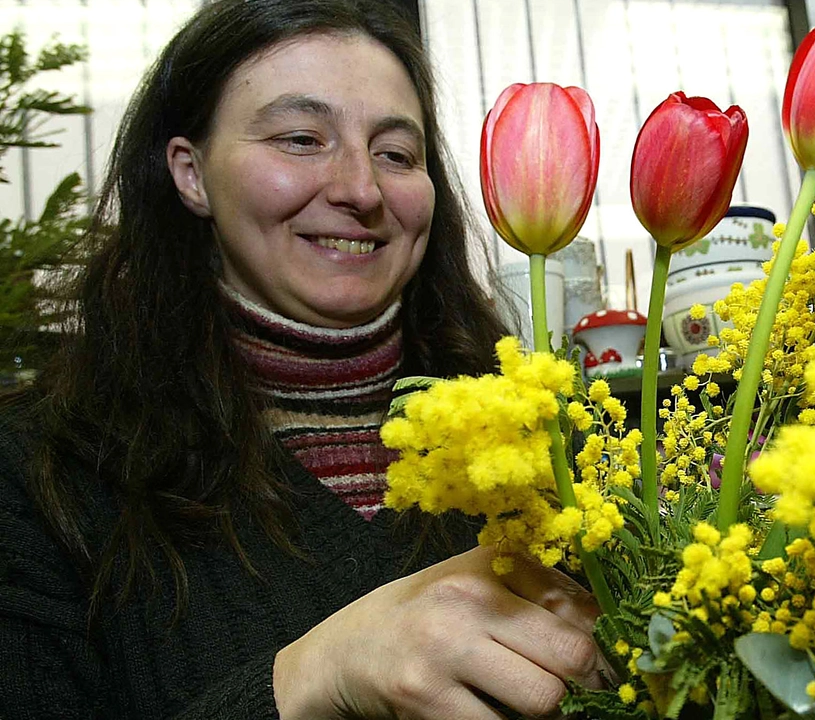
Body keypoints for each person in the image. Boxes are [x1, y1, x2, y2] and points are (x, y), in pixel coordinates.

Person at [0, 1, 605, 718]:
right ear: (191, 175)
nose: (361, 189)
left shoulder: (550, 447)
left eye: (396, 154)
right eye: (300, 138)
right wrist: (312, 678)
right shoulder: (40, 474)